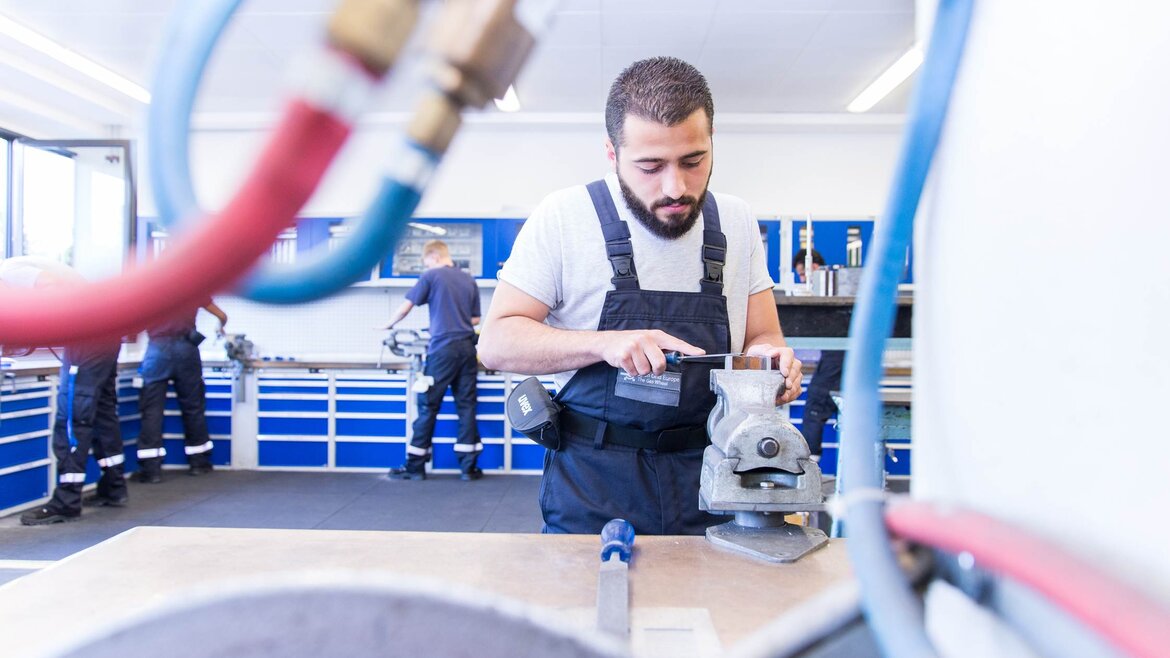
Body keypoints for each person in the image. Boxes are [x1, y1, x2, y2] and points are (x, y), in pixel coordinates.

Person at [478, 57, 803, 535]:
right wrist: (604, 343)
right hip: (595, 483)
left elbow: (762, 336)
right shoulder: (565, 216)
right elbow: (496, 344)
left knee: (726, 608)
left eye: (693, 161)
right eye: (650, 167)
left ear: (712, 141)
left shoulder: (736, 221)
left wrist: (771, 363)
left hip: (716, 477)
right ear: (611, 153)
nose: (676, 187)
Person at [0, 258, 128, 525]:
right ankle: (114, 488)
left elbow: (51, 287)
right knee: (103, 412)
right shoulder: (15, 275)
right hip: (105, 328)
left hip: (88, 333)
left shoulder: (10, 273)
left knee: (72, 416)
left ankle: (66, 501)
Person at [385, 240, 483, 481]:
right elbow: (475, 319)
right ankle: (468, 468)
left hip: (442, 351)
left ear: (433, 256)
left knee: (428, 405)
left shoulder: (431, 276)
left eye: (425, 262)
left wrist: (388, 324)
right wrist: (452, 322)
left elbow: (406, 307)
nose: (425, 266)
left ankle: (415, 466)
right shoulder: (469, 279)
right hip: (468, 349)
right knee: (467, 406)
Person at [135, 299, 227, 481]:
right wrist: (220, 326)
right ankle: (198, 463)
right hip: (186, 349)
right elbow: (222, 315)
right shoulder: (191, 287)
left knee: (152, 411)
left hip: (157, 349)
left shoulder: (149, 289)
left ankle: (151, 470)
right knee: (193, 408)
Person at [793, 248, 842, 457]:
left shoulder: (831, 289)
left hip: (840, 355)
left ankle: (809, 468)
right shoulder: (833, 288)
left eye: (803, 274)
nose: (803, 279)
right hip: (841, 356)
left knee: (815, 403)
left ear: (813, 268)